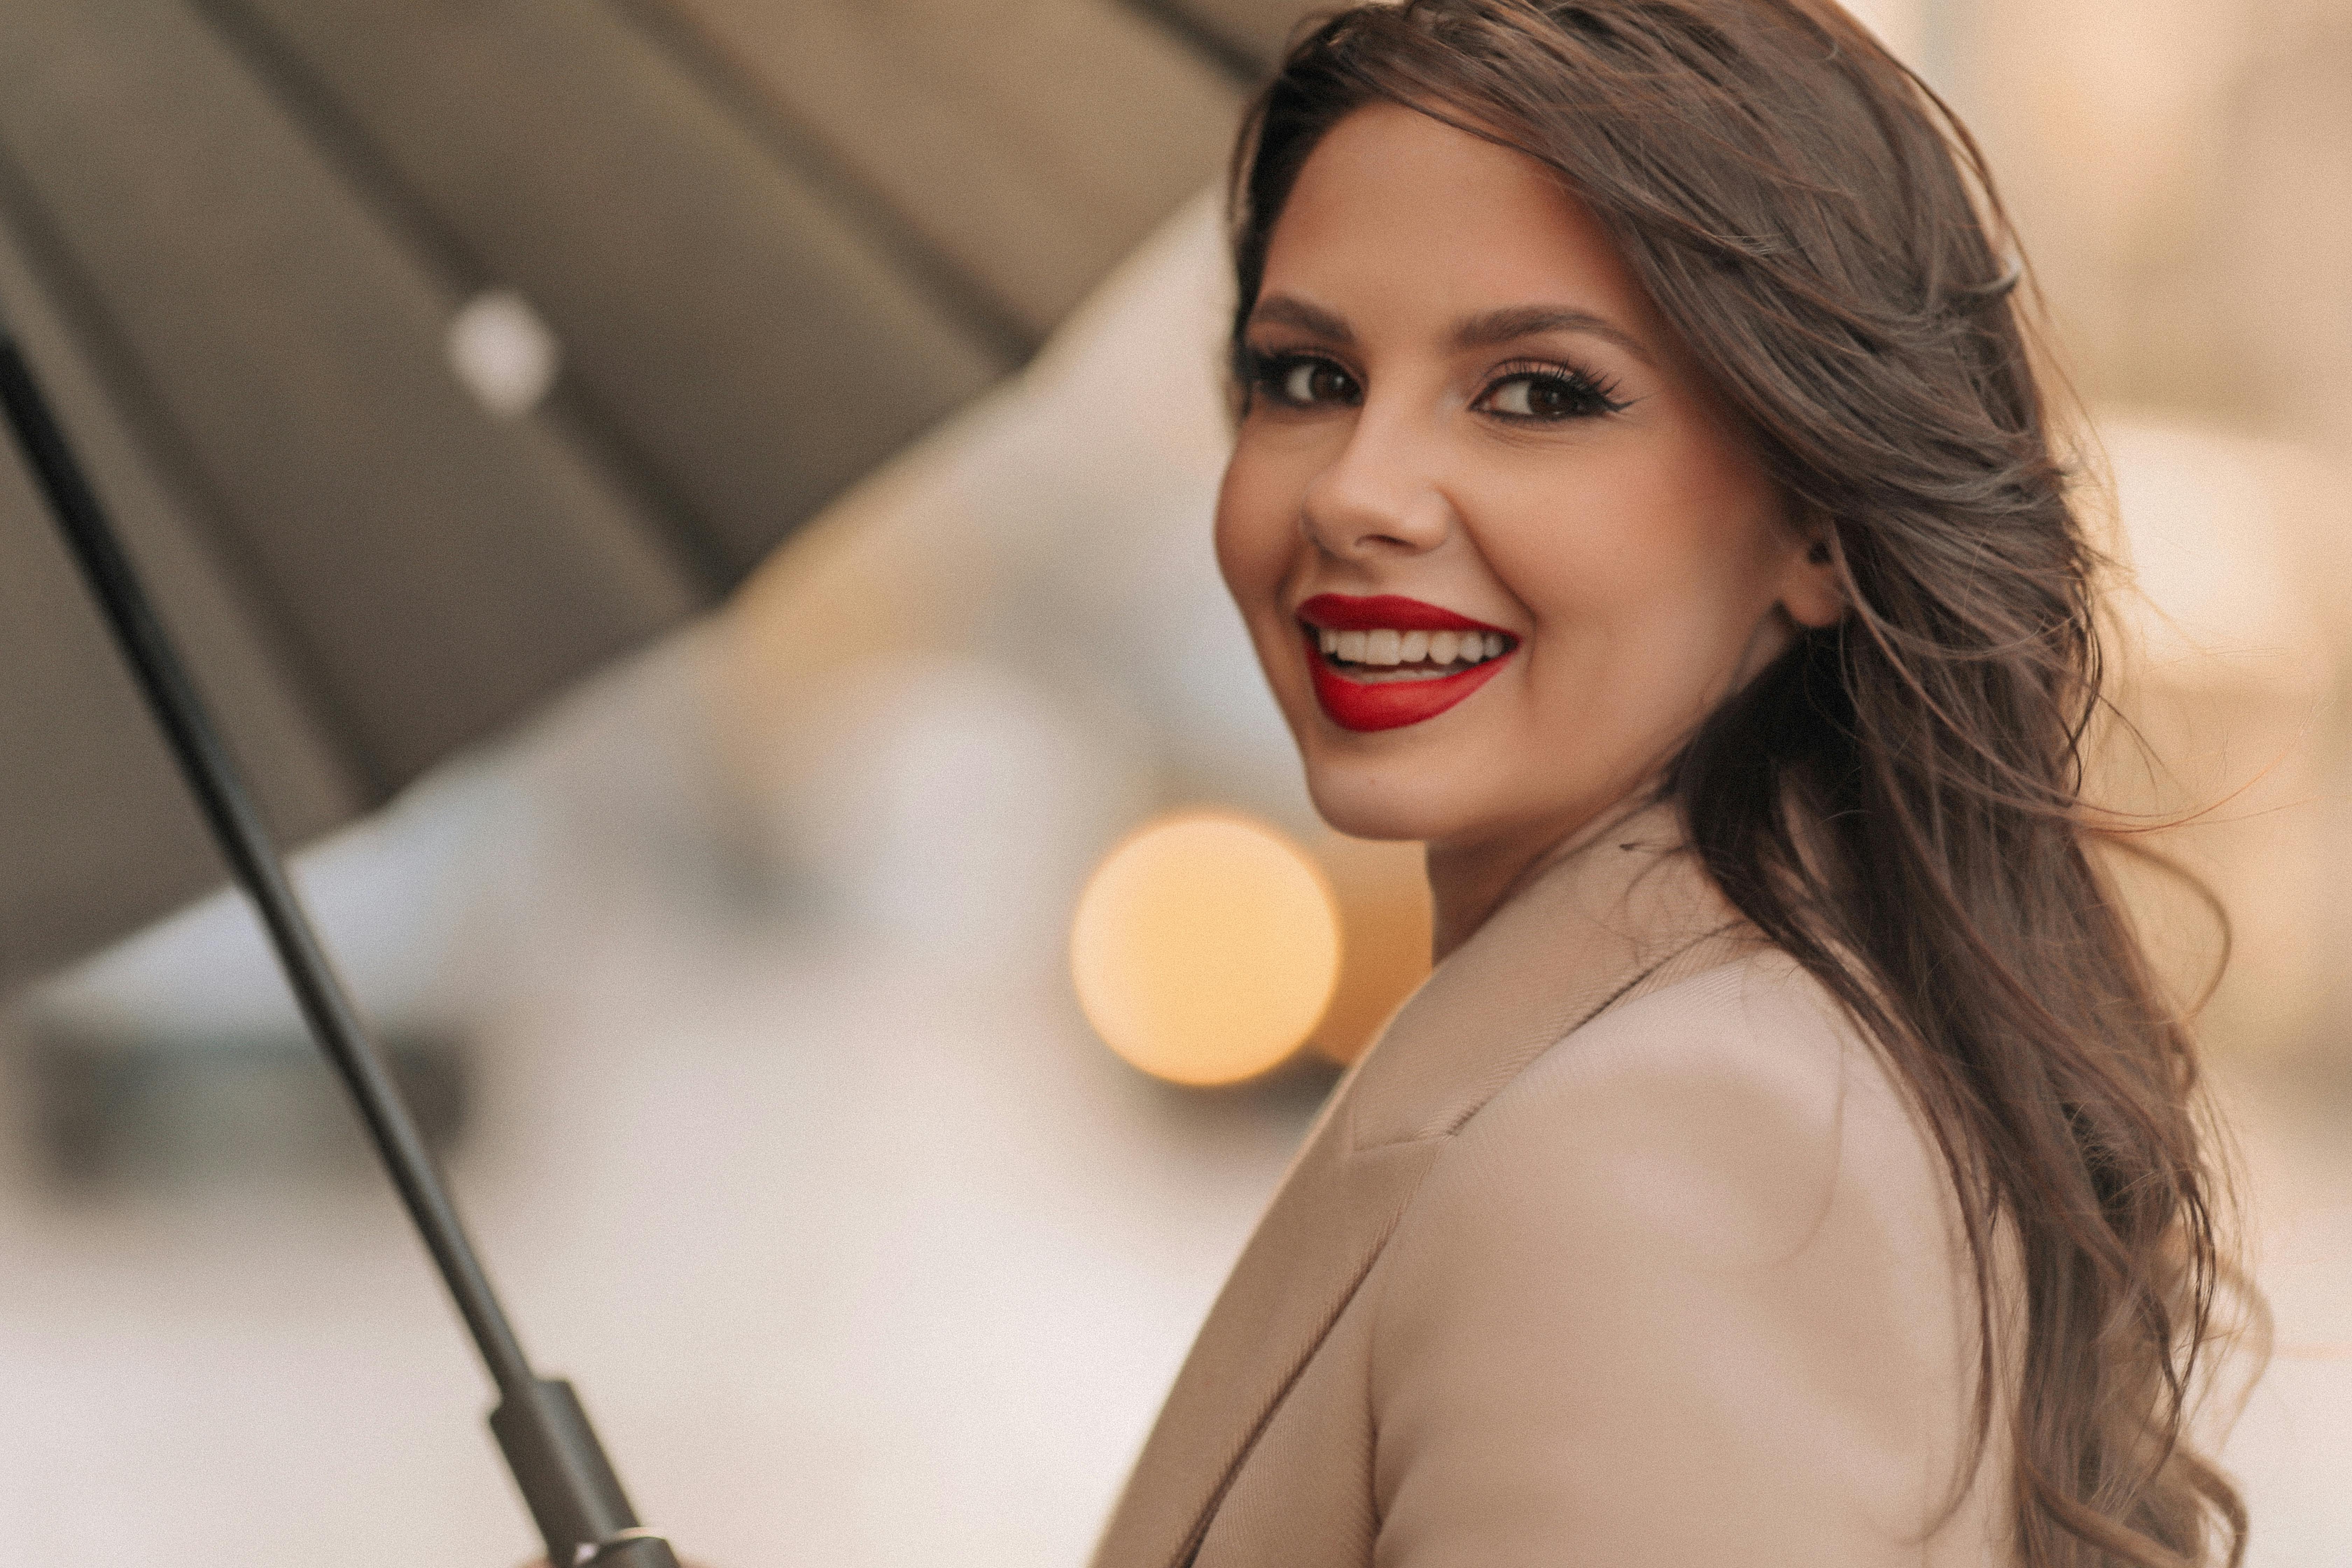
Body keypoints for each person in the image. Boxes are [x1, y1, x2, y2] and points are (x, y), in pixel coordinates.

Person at [1089, 3, 2252, 1566]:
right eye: (1307, 376)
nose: (1359, 490)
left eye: (1541, 394)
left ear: (1821, 520)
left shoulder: (1673, 1143)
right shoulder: (1679, 1062)